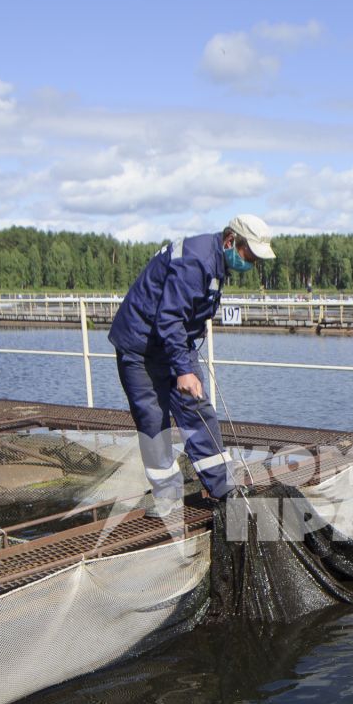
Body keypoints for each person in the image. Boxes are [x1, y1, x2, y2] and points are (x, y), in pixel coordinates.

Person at [109, 213, 275, 515]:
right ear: (230, 240)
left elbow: (183, 318)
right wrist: (184, 370)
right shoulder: (196, 260)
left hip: (172, 344)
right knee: (152, 420)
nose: (251, 263)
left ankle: (223, 488)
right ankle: (167, 496)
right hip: (140, 346)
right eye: (248, 255)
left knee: (197, 410)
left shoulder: (215, 260)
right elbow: (170, 317)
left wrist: (185, 361)